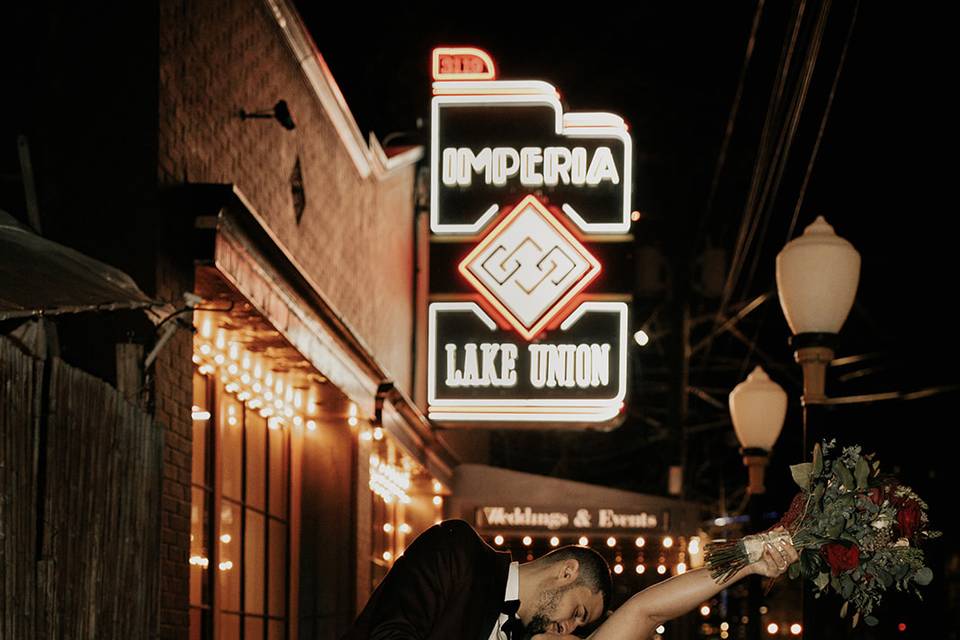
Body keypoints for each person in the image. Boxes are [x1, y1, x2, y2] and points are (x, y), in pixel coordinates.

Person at [342, 519, 798, 640]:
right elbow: (390, 634)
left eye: (578, 628)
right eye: (577, 612)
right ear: (565, 571)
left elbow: (646, 611)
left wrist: (748, 560)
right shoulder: (458, 550)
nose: (567, 629)